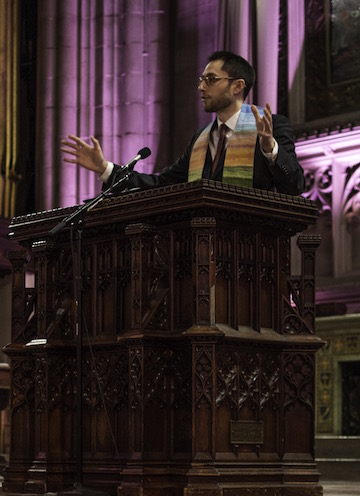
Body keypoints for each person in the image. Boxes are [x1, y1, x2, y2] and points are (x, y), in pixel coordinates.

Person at [61, 51, 305, 196]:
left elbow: (294, 186)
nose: (200, 87)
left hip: (252, 251)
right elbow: (161, 184)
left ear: (238, 86)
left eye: (210, 79)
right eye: (201, 80)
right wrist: (105, 168)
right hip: (201, 250)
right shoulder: (202, 138)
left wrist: (269, 149)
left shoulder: (271, 127)